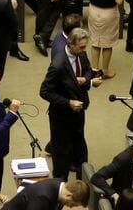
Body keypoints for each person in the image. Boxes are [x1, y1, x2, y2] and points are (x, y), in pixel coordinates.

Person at [41, 27, 100, 177]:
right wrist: (68, 102)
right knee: (61, 156)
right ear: (70, 44)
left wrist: (86, 80)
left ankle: (82, 184)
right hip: (61, 116)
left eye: (84, 46)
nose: (83, 49)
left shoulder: (81, 53)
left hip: (79, 111)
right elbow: (44, 92)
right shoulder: (58, 65)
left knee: (80, 150)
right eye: (81, 47)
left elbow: (87, 69)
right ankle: (60, 190)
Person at [87, 0, 123, 79]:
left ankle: (95, 69)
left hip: (93, 11)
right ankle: (105, 71)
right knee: (107, 44)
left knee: (95, 41)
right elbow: (119, 1)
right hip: (109, 13)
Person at [0, 178, 89, 210]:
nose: (70, 207)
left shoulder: (60, 185)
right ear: (69, 195)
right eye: (72, 205)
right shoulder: (43, 198)